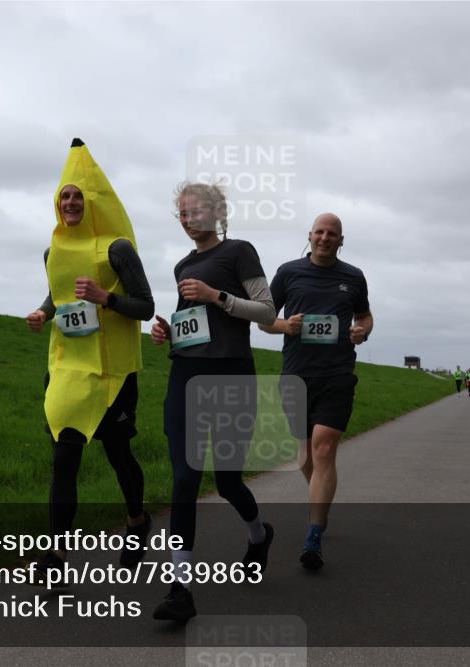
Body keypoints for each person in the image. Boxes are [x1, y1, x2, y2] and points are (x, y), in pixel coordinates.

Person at [25, 138, 154, 577]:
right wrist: (43, 312)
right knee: (65, 457)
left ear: (92, 201)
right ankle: (57, 554)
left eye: (79, 195)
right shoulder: (52, 250)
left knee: (118, 455)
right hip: (66, 366)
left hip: (113, 372)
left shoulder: (116, 248)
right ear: (57, 204)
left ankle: (137, 521)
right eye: (65, 196)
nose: (71, 201)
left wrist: (105, 298)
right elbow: (58, 293)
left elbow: (146, 305)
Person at [150, 181, 276, 621]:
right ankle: (180, 588)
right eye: (182, 213)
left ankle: (259, 536)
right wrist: (168, 329)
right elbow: (192, 320)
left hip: (231, 377)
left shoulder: (240, 251)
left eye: (196, 210)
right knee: (185, 479)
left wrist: (217, 297)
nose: (189, 219)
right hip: (185, 376)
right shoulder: (183, 265)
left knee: (227, 482)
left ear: (217, 211)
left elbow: (267, 312)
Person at [259, 213, 372, 570]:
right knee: (304, 454)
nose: (325, 238)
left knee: (323, 448)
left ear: (341, 240)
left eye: (332, 234)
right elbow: (264, 319)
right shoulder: (289, 272)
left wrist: (362, 330)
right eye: (319, 232)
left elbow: (365, 316)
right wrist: (285, 326)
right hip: (296, 374)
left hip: (337, 374)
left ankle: (314, 534)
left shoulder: (353, 277)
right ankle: (318, 502)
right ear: (309, 236)